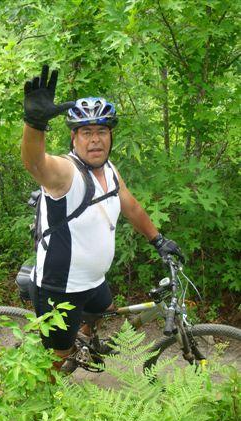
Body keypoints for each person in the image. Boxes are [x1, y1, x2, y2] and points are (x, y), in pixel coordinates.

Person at [21, 65, 184, 372]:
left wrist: (158, 239)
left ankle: (84, 337)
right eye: (86, 132)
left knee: (107, 313)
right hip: (59, 289)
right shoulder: (66, 174)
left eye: (101, 131)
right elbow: (34, 163)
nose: (95, 140)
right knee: (56, 361)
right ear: (74, 138)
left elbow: (131, 206)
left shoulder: (109, 171)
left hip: (94, 281)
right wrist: (34, 124)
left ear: (110, 136)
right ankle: (52, 409)